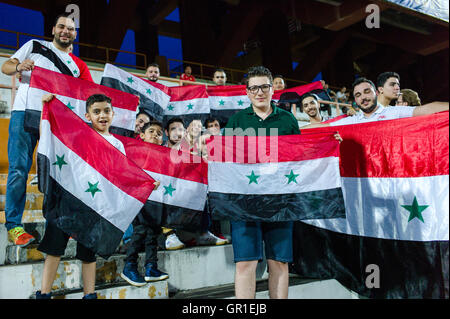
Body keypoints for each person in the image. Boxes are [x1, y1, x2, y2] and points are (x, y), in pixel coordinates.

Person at [1, 13, 93, 247]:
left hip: (56, 120)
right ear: (53, 29)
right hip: (25, 112)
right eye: (61, 26)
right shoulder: (34, 46)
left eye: (71, 29)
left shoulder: (77, 65)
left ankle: (64, 224)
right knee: (19, 169)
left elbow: (88, 95)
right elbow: (6, 67)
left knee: (62, 174)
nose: (65, 31)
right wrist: (19, 65)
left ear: (75, 34)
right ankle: (14, 226)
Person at [35, 93, 121, 299]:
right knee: (54, 249)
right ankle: (44, 294)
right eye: (96, 111)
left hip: (94, 206)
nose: (102, 115)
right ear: (87, 115)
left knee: (88, 254)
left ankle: (89, 295)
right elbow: (47, 135)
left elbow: (123, 175)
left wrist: (145, 184)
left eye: (106, 111)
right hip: (67, 201)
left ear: (113, 114)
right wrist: (45, 110)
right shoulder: (77, 136)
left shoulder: (118, 144)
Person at [224, 66, 300, 299]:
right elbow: (225, 159)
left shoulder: (287, 120)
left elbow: (300, 157)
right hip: (245, 202)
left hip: (280, 201)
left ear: (272, 89)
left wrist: (327, 143)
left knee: (279, 262)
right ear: (247, 92)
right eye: (254, 88)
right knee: (245, 263)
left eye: (264, 87)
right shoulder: (236, 120)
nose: (259, 92)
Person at [121, 121, 169, 287]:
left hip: (156, 200)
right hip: (138, 198)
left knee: (153, 231)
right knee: (140, 230)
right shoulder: (135, 152)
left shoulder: (163, 154)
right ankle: (129, 265)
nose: (155, 135)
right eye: (151, 131)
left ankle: (151, 267)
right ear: (141, 135)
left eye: (159, 133)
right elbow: (129, 173)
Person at [301, 77, 449, 128]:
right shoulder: (352, 121)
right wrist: (286, 134)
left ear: (376, 93)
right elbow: (321, 126)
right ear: (355, 100)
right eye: (358, 95)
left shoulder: (393, 112)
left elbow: (425, 109)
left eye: (367, 92)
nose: (363, 98)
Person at [161, 117, 187, 250]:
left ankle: (202, 233)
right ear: (166, 132)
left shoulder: (191, 154)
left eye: (180, 129)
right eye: (173, 129)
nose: (177, 133)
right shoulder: (158, 151)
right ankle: (170, 235)